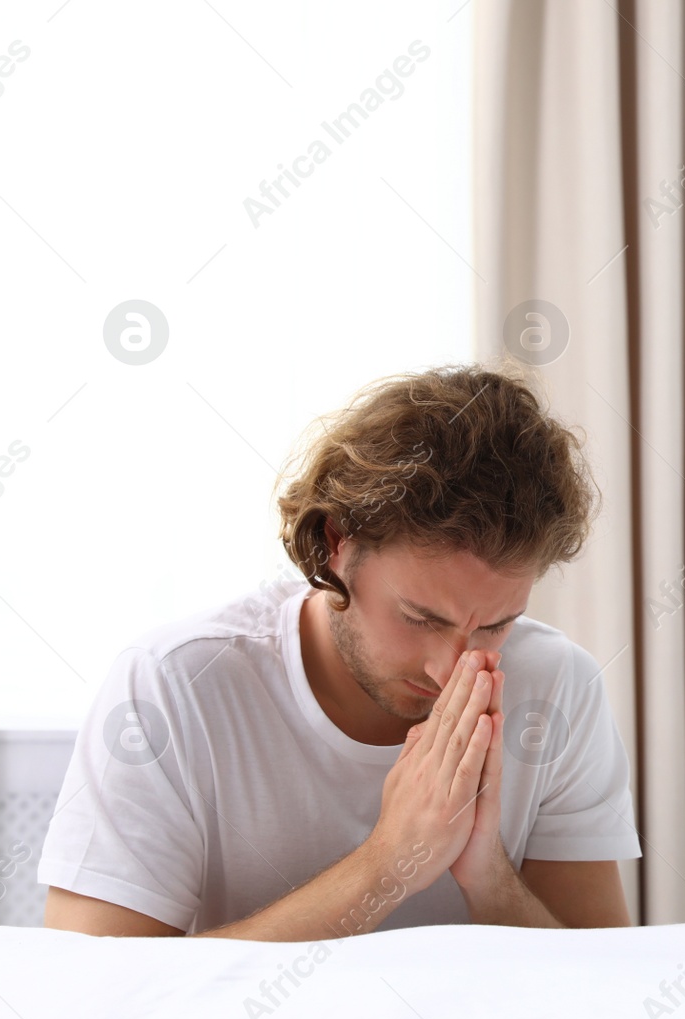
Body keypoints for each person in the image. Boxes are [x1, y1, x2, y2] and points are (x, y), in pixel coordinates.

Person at [38, 364, 641, 939]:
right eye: (419, 618)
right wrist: (388, 861)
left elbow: (600, 986)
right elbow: (98, 992)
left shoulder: (559, 685)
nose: (453, 668)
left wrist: (486, 874)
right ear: (335, 546)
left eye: (496, 626)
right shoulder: (173, 685)